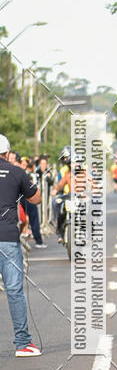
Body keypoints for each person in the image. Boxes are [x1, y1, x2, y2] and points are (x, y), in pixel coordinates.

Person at [0, 134, 42, 357]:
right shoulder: (17, 172)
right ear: (7, 154)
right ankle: (22, 344)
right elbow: (36, 198)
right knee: (14, 290)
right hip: (6, 237)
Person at [50, 146, 73, 243]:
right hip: (68, 196)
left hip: (83, 196)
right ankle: (59, 230)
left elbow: (91, 181)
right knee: (56, 203)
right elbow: (60, 184)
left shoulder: (84, 170)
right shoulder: (67, 173)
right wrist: (55, 190)